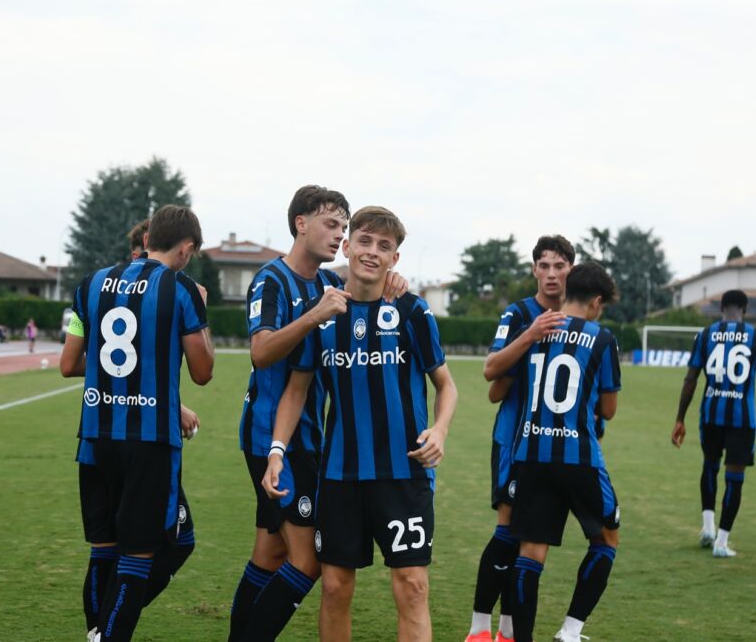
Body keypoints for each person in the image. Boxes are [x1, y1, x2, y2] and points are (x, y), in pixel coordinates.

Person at [263, 206, 457, 642]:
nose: (372, 252)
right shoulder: (321, 314)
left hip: (404, 473)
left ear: (394, 259)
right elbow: (296, 391)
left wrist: (440, 430)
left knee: (412, 586)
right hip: (340, 476)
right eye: (364, 241)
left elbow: (446, 385)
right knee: (334, 587)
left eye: (384, 246)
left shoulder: (412, 310)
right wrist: (276, 452)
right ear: (347, 247)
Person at [229, 186, 406, 641]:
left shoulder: (328, 283)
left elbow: (367, 291)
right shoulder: (271, 279)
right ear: (300, 223)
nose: (338, 235)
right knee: (307, 561)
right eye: (331, 224)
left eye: (343, 228)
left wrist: (395, 284)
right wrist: (313, 316)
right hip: (273, 436)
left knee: (270, 554)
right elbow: (261, 353)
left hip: (310, 438)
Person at [59, 204, 215, 641]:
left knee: (104, 548)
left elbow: (72, 361)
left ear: (147, 240)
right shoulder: (182, 289)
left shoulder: (91, 283)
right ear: (186, 249)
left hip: (95, 437)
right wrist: (201, 315)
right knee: (138, 557)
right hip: (148, 442)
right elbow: (203, 372)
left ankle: (97, 632)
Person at [507, 262, 622, 642]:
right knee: (606, 540)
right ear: (597, 302)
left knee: (530, 552)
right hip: (579, 457)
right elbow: (608, 410)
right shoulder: (602, 338)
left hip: (530, 454)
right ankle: (570, 631)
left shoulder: (536, 329)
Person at [466, 236, 573, 642]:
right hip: (514, 440)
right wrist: (531, 334)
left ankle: (508, 632)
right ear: (534, 270)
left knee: (530, 541)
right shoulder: (518, 313)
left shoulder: (578, 321)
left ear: (571, 270)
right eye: (544, 266)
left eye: (559, 266)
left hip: (554, 446)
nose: (551, 274)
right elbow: (491, 372)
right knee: (508, 531)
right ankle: (478, 630)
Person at [671, 289, 756, 557]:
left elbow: (690, 380)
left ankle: (707, 528)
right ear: (745, 310)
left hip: (711, 416)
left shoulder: (705, 335)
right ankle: (721, 542)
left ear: (721, 309)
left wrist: (680, 418)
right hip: (742, 420)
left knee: (709, 466)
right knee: (734, 479)